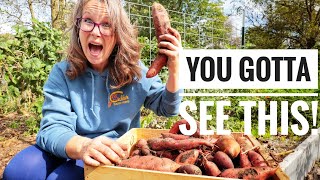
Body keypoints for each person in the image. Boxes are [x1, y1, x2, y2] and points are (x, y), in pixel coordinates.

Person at [3, 0, 182, 179]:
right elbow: (52, 127)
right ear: (78, 26)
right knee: (20, 171)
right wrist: (82, 146)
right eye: (88, 21)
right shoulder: (62, 72)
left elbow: (167, 108)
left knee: (63, 177)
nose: (96, 32)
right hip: (70, 143)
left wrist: (174, 70)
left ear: (118, 33)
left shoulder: (137, 72)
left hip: (111, 151)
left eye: (106, 24)